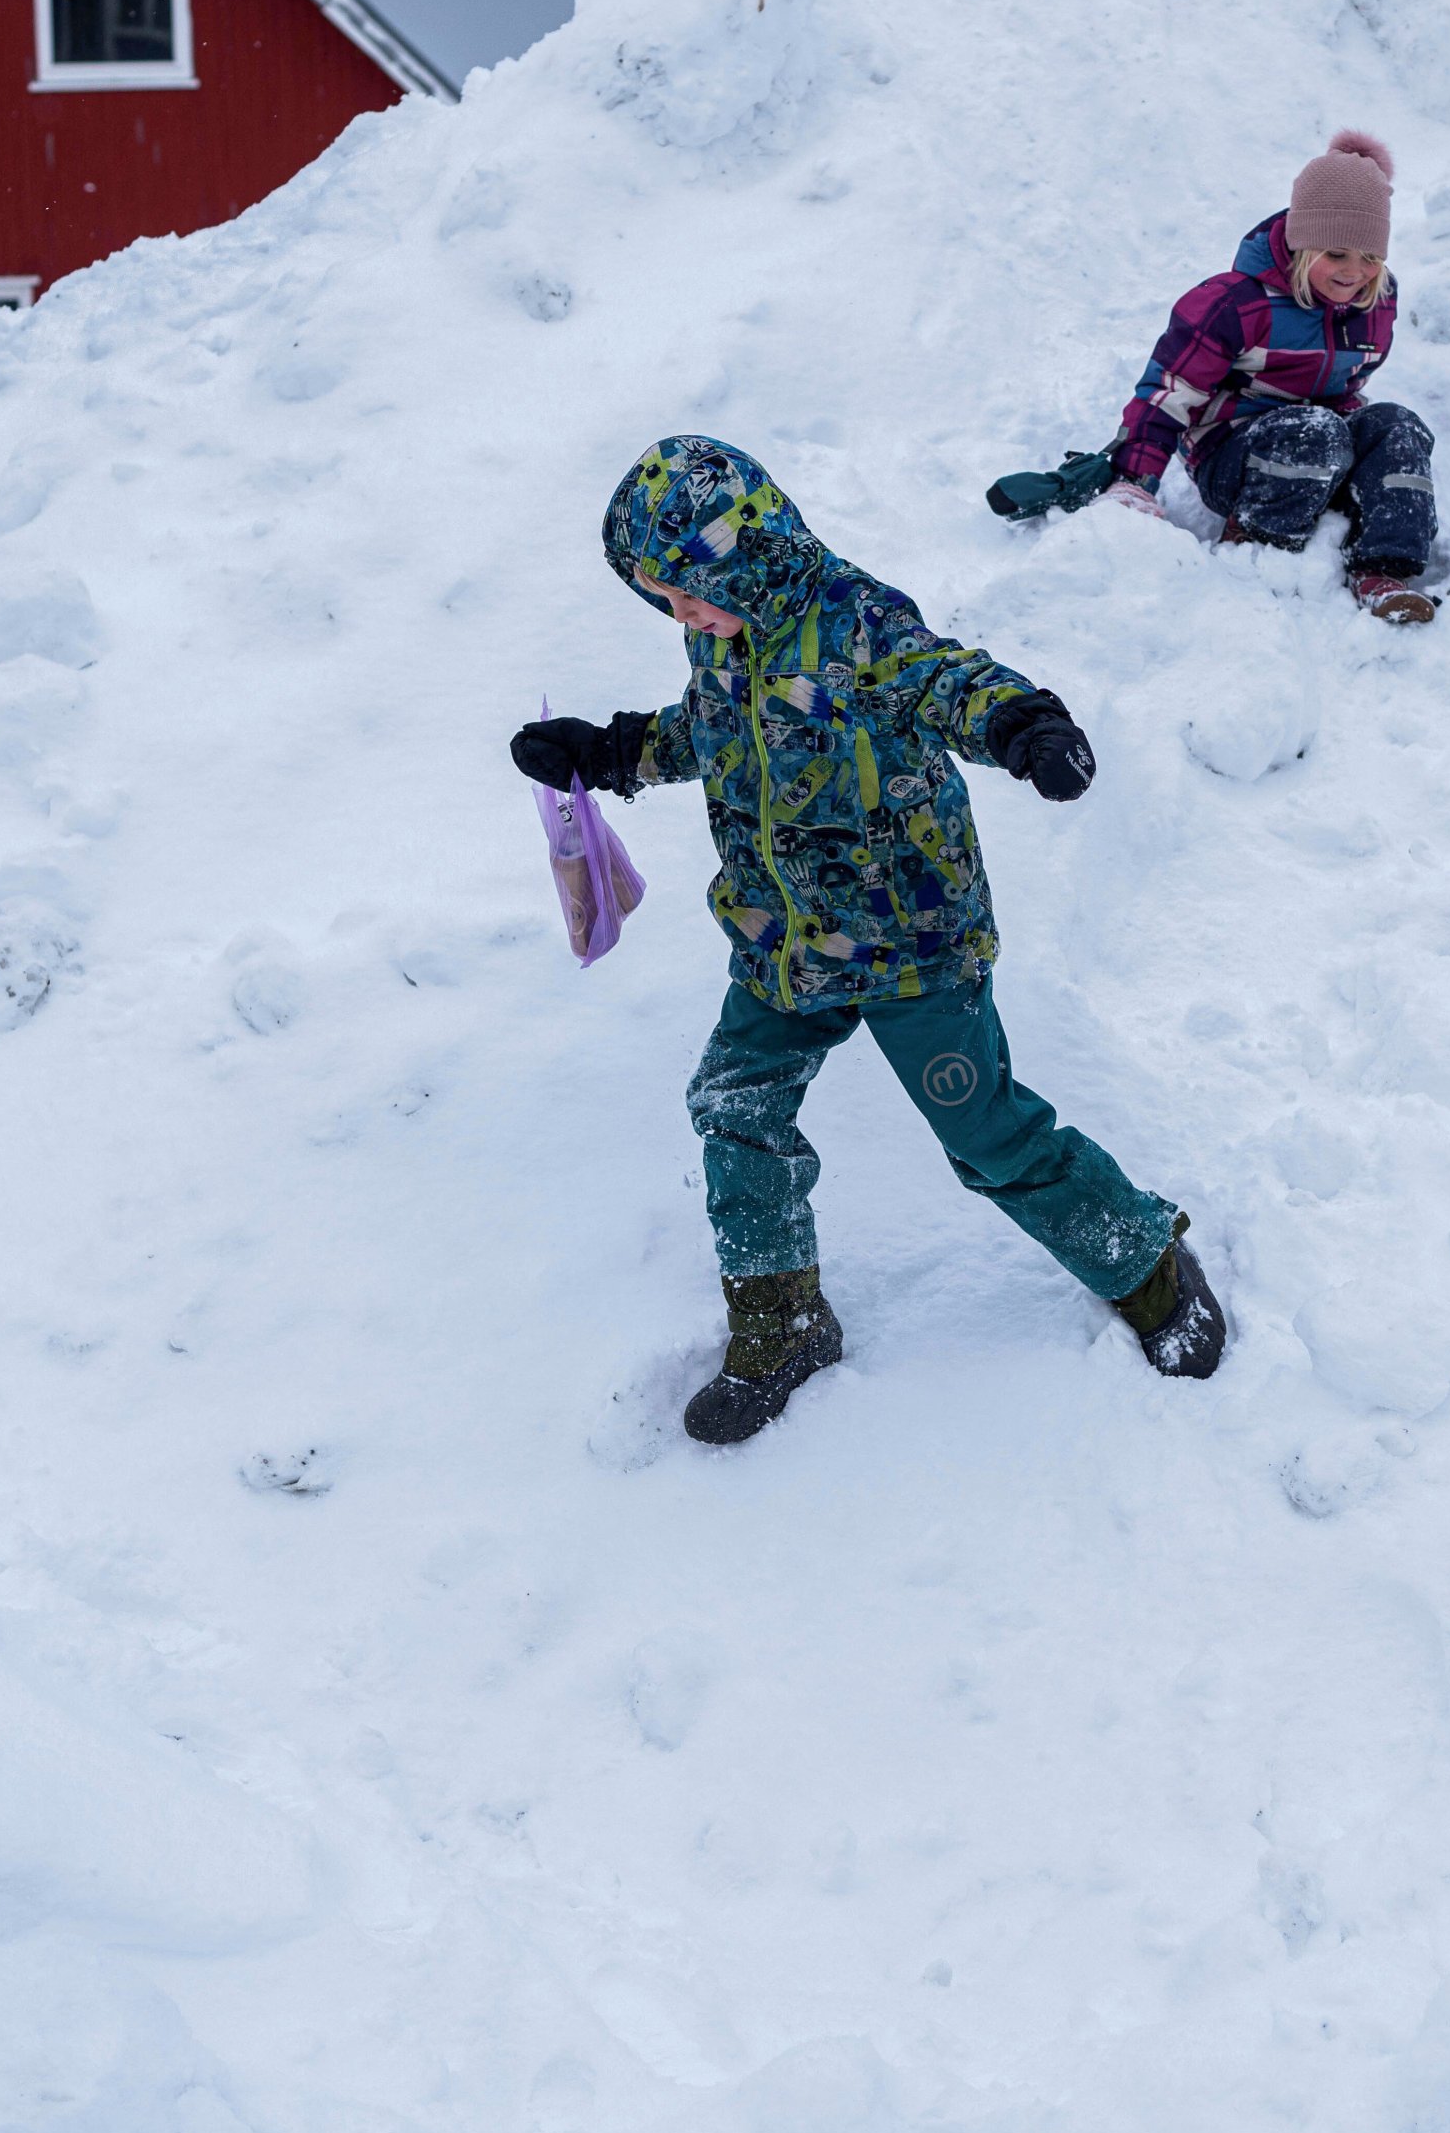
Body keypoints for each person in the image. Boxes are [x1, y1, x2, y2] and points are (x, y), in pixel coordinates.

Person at [514, 435, 1226, 1445]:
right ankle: (783, 1323)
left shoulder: (857, 623)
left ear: (745, 554)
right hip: (780, 941)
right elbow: (713, 732)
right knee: (734, 1105)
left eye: (689, 594)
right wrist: (612, 750)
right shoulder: (722, 637)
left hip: (911, 943)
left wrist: (1025, 724)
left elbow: (949, 680)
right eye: (664, 601)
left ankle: (1143, 1260)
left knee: (987, 1134)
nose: (684, 616)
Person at [1110, 129, 1439, 622]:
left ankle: (1382, 569)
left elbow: (1351, 384)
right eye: (1336, 254)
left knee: (1398, 426)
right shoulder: (1235, 303)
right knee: (1315, 432)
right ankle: (1255, 541)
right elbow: (1168, 392)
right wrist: (1134, 478)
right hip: (1234, 455)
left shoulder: (1377, 300)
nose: (1355, 272)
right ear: (1302, 243)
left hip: (1322, 438)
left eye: (1370, 257)